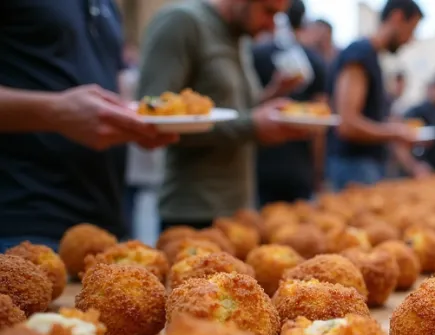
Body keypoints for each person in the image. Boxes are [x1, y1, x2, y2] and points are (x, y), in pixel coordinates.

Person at [0, 0, 177, 252]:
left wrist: (134, 121)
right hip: (23, 224)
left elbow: (110, 85)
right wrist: (54, 111)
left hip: (105, 226)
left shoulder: (107, 5)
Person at [138, 0, 311, 231]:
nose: (271, 26)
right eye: (268, 11)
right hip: (193, 213)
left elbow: (235, 110)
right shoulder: (182, 22)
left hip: (239, 210)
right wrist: (252, 125)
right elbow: (154, 118)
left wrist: (273, 93)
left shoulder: (240, 35)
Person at [326, 0, 424, 190]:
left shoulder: (371, 58)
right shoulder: (360, 54)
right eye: (411, 30)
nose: (410, 39)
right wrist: (395, 132)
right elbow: (347, 124)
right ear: (397, 18)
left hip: (363, 166)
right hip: (354, 167)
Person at [252, 0, 328, 204]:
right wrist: (318, 172)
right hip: (300, 166)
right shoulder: (316, 61)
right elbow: (320, 124)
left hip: (263, 164)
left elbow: (249, 106)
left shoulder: (258, 54)